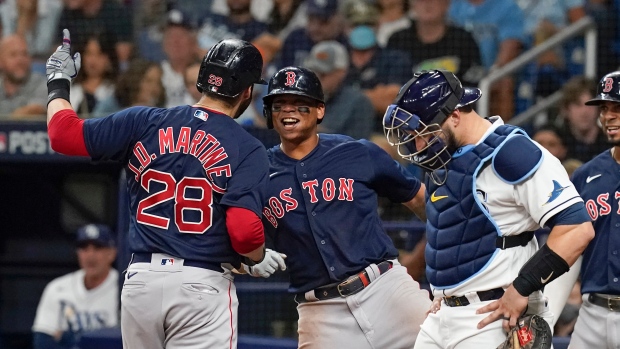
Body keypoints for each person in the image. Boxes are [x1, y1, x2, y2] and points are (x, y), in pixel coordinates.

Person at [44, 30, 286, 348]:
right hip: (200, 285)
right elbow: (244, 231)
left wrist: (58, 81)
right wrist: (254, 258)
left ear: (202, 79)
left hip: (140, 281)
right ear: (245, 93)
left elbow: (62, 135)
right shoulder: (247, 147)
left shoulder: (144, 119)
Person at [382, 69, 594, 348]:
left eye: (423, 133)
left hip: (493, 314)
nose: (418, 145)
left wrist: (522, 288)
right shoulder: (443, 157)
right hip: (442, 314)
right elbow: (453, 229)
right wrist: (445, 294)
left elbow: (577, 228)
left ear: (455, 116)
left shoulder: (511, 151)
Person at [260, 66, 432, 348]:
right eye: (279, 105)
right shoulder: (257, 173)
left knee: (448, 341)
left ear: (319, 111)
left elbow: (420, 200)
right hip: (319, 310)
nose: (288, 111)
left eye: (299, 105)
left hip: (385, 289)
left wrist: (451, 254)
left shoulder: (357, 152)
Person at [568, 70, 620, 348]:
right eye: (604, 108)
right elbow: (568, 246)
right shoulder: (585, 175)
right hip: (591, 315)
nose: (608, 116)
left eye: (617, 108)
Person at [32, 224, 118, 349]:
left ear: (112, 253)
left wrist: (68, 339)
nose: (90, 255)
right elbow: (42, 343)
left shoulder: (124, 288)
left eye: (98, 248)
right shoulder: (57, 288)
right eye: (84, 248)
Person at [387, 0, 484, 88]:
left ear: (446, 4)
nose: (427, 4)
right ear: (413, 5)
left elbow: (474, 83)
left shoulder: (463, 40)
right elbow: (390, 86)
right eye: (421, 1)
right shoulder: (398, 41)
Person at [303, 41, 375, 140]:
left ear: (341, 72)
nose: (316, 78)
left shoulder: (358, 103)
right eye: (312, 72)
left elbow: (357, 148)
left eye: (323, 74)